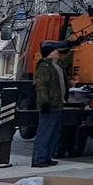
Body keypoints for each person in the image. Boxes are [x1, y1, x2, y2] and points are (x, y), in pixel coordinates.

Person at [32, 40, 71, 168]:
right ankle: (39, 159)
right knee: (45, 132)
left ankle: (47, 157)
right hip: (49, 104)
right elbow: (41, 86)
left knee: (54, 132)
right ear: (50, 53)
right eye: (55, 51)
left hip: (58, 103)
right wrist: (44, 103)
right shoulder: (44, 67)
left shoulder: (57, 65)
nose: (57, 52)